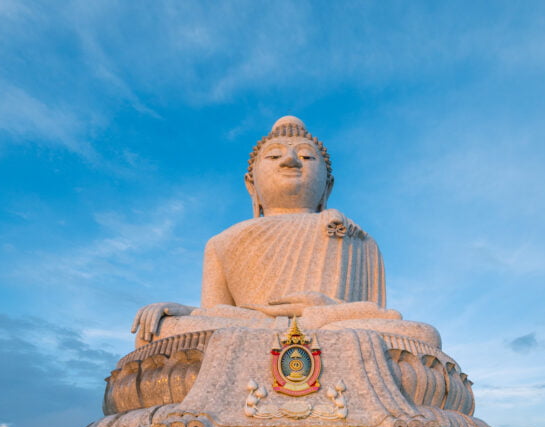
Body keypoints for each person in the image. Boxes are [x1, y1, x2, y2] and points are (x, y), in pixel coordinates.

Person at [130, 116, 434, 347]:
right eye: (274, 156)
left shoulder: (359, 240)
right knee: (161, 333)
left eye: (306, 157)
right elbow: (217, 315)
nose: (290, 160)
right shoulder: (222, 243)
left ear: (327, 185)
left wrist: (323, 311)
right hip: (252, 327)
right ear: (252, 185)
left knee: (424, 336)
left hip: (329, 325)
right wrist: (188, 313)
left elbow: (380, 316)